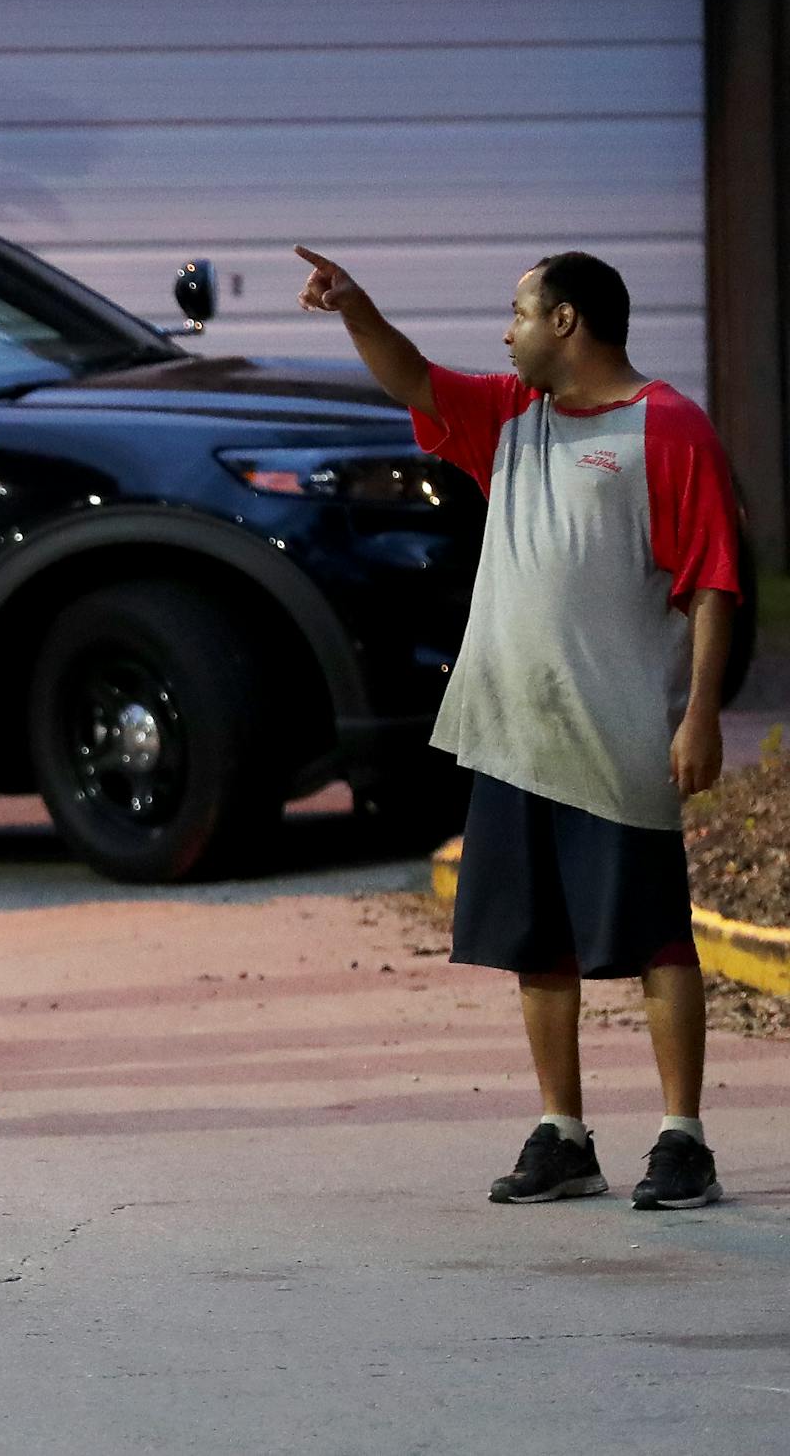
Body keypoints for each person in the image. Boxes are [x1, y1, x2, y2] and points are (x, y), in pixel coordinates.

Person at [295, 244, 740, 1210]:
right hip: (511, 730)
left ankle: (683, 1137)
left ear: (568, 321)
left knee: (656, 936)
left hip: (618, 731)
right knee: (537, 940)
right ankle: (564, 1133)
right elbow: (412, 374)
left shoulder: (669, 428)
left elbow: (711, 580)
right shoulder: (508, 418)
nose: (508, 332)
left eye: (519, 312)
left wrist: (699, 711)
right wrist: (356, 309)